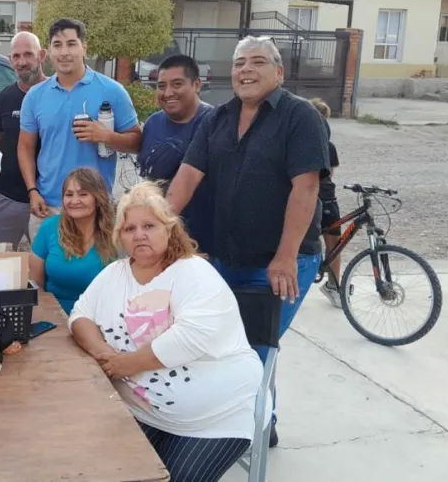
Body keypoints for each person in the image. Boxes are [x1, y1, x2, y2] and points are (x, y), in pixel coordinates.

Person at [166, 36, 329, 447]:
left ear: (279, 72)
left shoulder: (301, 117)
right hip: (226, 258)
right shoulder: (218, 118)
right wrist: (156, 228)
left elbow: (305, 189)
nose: (246, 70)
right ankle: (260, 422)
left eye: (258, 61)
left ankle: (247, 433)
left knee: (252, 351)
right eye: (239, 63)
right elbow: (187, 177)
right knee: (224, 347)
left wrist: (286, 256)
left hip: (280, 262)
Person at [69, 181, 261, 482]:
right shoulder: (113, 274)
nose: (139, 234)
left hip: (211, 421)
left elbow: (190, 338)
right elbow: (80, 315)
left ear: (169, 229)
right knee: (94, 470)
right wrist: (104, 354)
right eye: (129, 229)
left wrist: (123, 365)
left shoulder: (194, 273)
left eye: (149, 225)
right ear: (119, 236)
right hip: (140, 411)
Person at [18, 18, 142, 242]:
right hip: (49, 205)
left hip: (96, 206)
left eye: (71, 44)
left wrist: (106, 136)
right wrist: (32, 191)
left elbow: (137, 142)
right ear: (49, 52)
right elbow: (25, 147)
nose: (64, 52)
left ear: (84, 48)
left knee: (94, 274)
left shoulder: (112, 91)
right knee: (44, 272)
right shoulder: (35, 96)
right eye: (58, 45)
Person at [138, 54, 215, 255]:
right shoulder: (153, 123)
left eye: (177, 84)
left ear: (197, 85)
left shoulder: (214, 123)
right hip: (158, 241)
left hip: (202, 244)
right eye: (161, 86)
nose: (168, 92)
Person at [29, 167, 117, 315]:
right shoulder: (49, 227)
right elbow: (35, 284)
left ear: (98, 198)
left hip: (101, 316)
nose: (74, 201)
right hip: (56, 315)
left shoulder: (117, 231)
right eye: (69, 194)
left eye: (83, 194)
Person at [0, 31, 47, 248]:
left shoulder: (56, 94)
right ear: (10, 60)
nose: (22, 62)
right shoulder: (4, 98)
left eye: (28, 55)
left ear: (41, 56)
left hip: (48, 198)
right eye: (16, 56)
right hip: (8, 197)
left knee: (49, 266)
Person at [312, 98, 343, 308]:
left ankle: (334, 286)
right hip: (322, 197)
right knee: (334, 244)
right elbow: (330, 175)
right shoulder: (327, 146)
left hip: (324, 197)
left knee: (334, 243)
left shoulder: (328, 146)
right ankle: (334, 286)